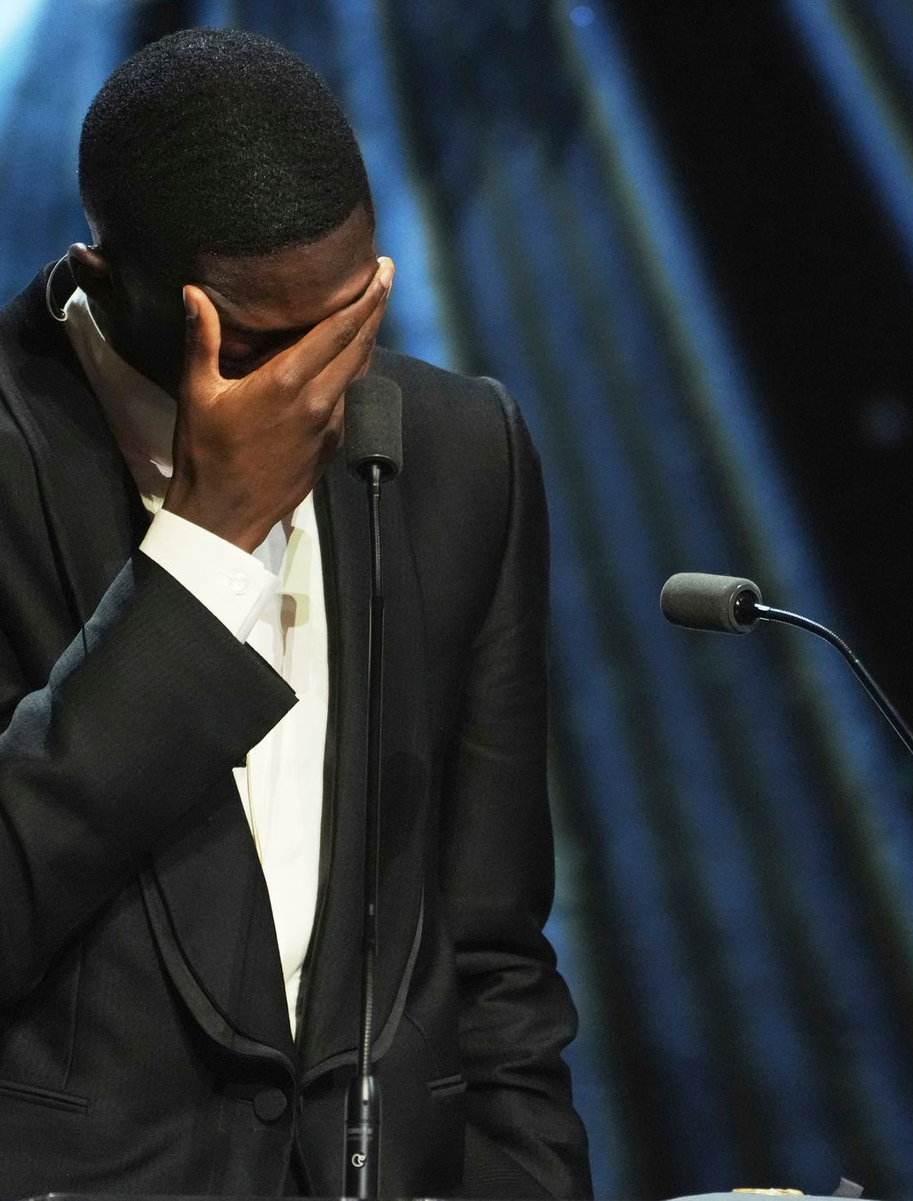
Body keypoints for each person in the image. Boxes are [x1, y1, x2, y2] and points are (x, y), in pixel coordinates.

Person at [0, 27, 591, 1200]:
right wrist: (208, 551)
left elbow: (492, 951)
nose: (329, 383)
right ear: (113, 279)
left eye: (357, 317)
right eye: (271, 344)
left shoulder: (464, 453)